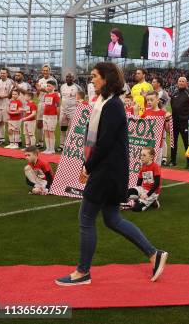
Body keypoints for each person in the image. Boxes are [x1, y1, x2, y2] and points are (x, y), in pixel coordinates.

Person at [55, 62, 167, 286]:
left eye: (95, 76)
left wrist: (88, 166)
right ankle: (154, 254)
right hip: (110, 171)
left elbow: (104, 143)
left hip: (107, 171)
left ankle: (83, 272)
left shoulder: (112, 105)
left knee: (86, 218)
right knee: (112, 219)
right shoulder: (107, 102)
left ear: (106, 79)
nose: (92, 80)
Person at [169, 76, 189, 169]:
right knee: (173, 142)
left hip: (185, 121)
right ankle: (173, 160)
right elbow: (172, 105)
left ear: (186, 83)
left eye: (183, 81)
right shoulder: (174, 93)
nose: (180, 82)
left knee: (186, 142)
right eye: (179, 81)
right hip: (174, 121)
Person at [126, 147, 162, 211]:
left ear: (151, 157)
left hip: (152, 192)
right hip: (143, 189)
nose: (141, 157)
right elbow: (139, 183)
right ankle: (143, 200)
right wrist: (137, 191)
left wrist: (147, 195)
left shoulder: (155, 167)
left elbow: (157, 183)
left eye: (144, 155)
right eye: (141, 155)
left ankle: (153, 201)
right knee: (128, 192)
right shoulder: (143, 167)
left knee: (136, 208)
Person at [35, 65, 57, 149]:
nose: (45, 72)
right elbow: (38, 93)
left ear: (50, 71)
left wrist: (40, 89)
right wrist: (38, 90)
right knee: (39, 123)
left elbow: (53, 91)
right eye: (43, 70)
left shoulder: (53, 80)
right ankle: (40, 142)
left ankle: (50, 145)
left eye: (47, 70)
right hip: (41, 103)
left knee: (48, 125)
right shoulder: (40, 80)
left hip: (50, 104)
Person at [59, 73, 82, 151]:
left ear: (73, 78)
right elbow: (62, 97)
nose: (68, 78)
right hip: (63, 110)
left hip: (73, 110)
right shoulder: (62, 86)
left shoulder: (77, 87)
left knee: (71, 128)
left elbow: (81, 98)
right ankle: (61, 144)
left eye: (70, 77)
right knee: (63, 128)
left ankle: (68, 145)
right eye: (67, 77)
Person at [151, 78, 171, 165]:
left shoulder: (164, 93)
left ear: (159, 84)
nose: (152, 83)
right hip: (151, 115)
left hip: (160, 115)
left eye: (154, 82)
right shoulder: (151, 92)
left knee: (162, 137)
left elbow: (162, 106)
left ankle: (164, 158)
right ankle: (152, 155)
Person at [0, 68, 14, 144]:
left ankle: (11, 139)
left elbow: (12, 93)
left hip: (7, 103)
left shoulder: (10, 82)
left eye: (4, 73)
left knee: (8, 122)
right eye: (1, 73)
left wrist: (4, 96)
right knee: (0, 122)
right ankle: (2, 138)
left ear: (7, 74)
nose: (2, 74)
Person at [42, 80, 59, 154]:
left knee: (51, 132)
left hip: (52, 116)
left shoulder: (55, 95)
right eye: (47, 86)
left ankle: (52, 149)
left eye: (49, 86)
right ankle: (47, 148)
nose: (48, 87)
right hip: (45, 115)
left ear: (54, 87)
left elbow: (58, 106)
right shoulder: (46, 95)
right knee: (45, 131)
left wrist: (57, 116)